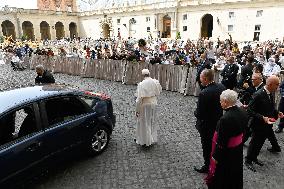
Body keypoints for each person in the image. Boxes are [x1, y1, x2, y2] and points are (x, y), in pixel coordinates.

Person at [205, 89, 248, 189]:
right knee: (235, 171)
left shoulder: (225, 119)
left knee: (223, 175)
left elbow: (221, 142)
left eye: (220, 101)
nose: (220, 103)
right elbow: (245, 131)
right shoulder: (243, 111)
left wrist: (215, 157)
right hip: (237, 149)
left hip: (226, 152)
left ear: (225, 101)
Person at [245, 75, 283, 172]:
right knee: (254, 143)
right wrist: (262, 117)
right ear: (270, 84)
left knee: (260, 143)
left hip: (267, 124)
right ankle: (248, 160)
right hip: (257, 124)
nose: (278, 87)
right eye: (277, 84)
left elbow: (271, 106)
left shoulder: (271, 92)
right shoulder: (258, 94)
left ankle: (254, 158)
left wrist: (277, 113)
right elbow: (249, 110)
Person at [194, 69, 226, 173]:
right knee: (216, 144)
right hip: (218, 122)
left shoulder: (204, 93)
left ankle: (207, 166)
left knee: (206, 146)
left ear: (205, 79)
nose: (200, 80)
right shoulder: (221, 87)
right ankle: (217, 161)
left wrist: (195, 112)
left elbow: (199, 114)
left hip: (206, 126)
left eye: (201, 78)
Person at [135, 69, 162, 147]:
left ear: (143, 75)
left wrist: (137, 110)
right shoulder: (155, 81)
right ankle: (152, 138)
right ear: (149, 74)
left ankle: (146, 141)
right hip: (154, 103)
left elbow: (139, 99)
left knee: (144, 122)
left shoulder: (141, 84)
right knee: (152, 121)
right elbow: (159, 91)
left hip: (145, 104)